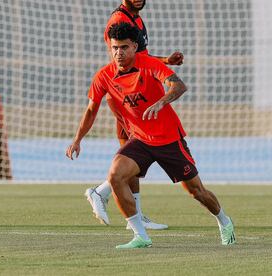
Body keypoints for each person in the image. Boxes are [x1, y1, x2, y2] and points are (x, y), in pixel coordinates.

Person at [66, 22, 236, 249]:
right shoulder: (104, 76)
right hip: (140, 140)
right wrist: (77, 139)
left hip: (169, 139)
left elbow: (179, 86)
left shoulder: (150, 65)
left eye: (124, 47)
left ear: (135, 46)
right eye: (115, 48)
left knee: (197, 192)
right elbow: (91, 110)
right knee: (116, 175)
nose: (119, 53)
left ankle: (224, 221)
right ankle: (140, 235)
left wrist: (161, 102)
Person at [85, 0, 184, 230]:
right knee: (137, 151)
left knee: (136, 155)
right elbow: (124, 60)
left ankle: (134, 214)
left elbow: (140, 56)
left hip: (137, 90)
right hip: (126, 93)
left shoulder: (136, 17)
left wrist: (165, 61)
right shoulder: (119, 19)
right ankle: (100, 192)